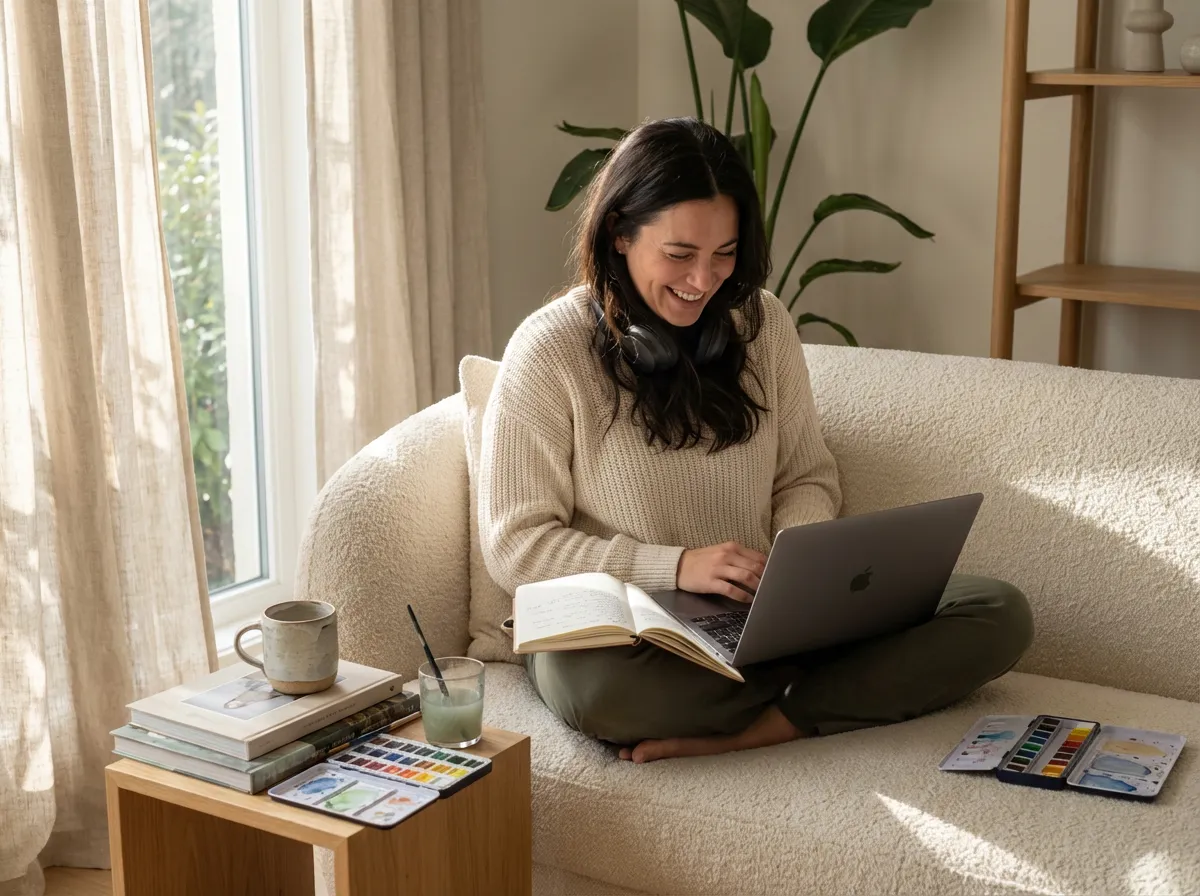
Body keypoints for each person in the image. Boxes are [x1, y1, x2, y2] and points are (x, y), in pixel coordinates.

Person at [478, 118, 1033, 764]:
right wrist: (676, 566)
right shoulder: (548, 351)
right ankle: (827, 693)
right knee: (606, 697)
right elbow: (516, 546)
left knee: (997, 611)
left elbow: (807, 477)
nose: (703, 280)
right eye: (680, 254)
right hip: (620, 637)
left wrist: (794, 574)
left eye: (725, 253)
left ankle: (775, 722)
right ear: (619, 233)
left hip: (755, 619)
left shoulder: (761, 324)